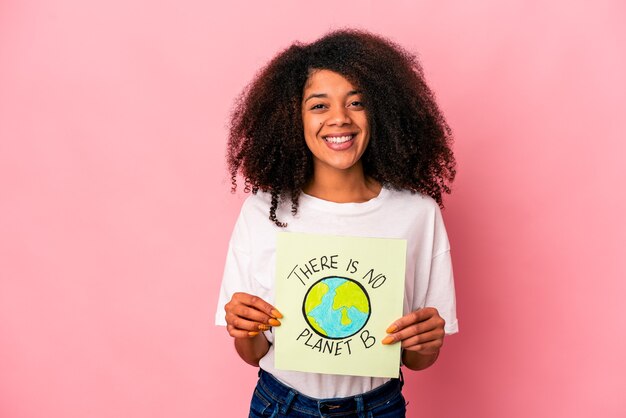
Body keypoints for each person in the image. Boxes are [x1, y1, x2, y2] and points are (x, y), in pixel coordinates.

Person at [216, 29, 458, 417]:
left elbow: (416, 359)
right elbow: (254, 352)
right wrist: (245, 329)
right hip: (281, 404)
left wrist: (428, 343)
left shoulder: (417, 214)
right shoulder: (263, 212)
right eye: (319, 106)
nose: (339, 119)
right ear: (291, 118)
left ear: (381, 111)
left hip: (377, 407)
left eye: (357, 102)